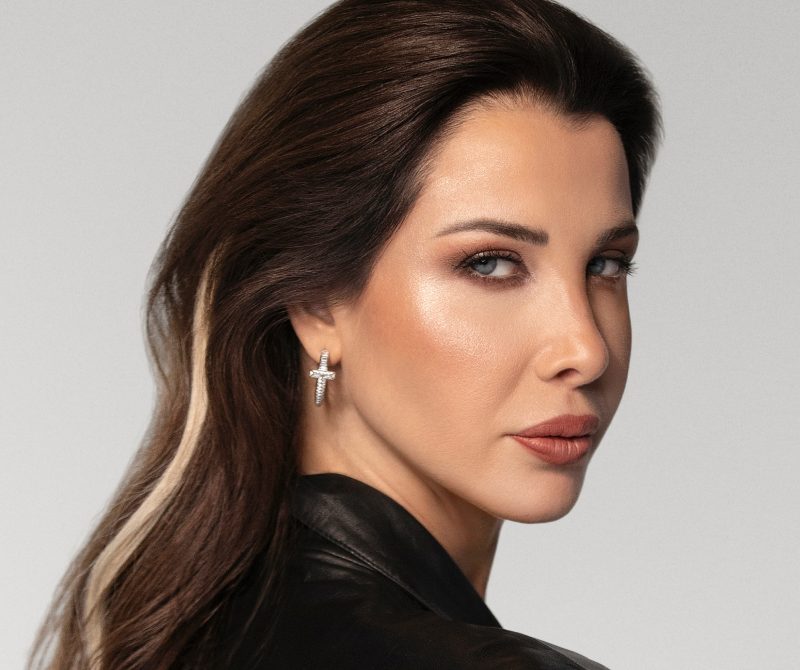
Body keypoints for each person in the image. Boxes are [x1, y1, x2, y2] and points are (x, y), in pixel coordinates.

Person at [31, 0, 661, 667]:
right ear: (316, 302)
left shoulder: (186, 633)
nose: (586, 349)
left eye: (605, 264)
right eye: (489, 263)